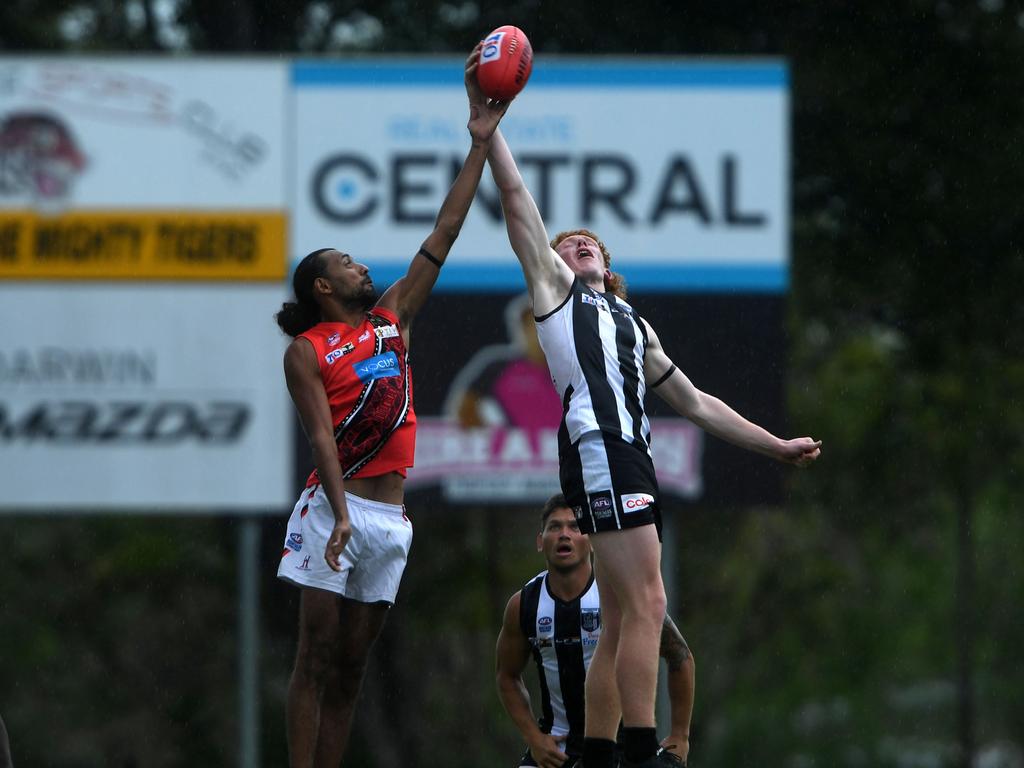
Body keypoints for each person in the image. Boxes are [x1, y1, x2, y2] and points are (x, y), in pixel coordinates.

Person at [484, 126, 821, 768]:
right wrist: (491, 129)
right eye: (567, 244)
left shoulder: (634, 325)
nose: (578, 242)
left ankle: (601, 752)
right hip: (601, 446)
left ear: (610, 269)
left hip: (624, 455)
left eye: (591, 244)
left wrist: (774, 446)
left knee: (617, 617)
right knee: (650, 601)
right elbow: (518, 200)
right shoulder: (558, 296)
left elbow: (697, 405)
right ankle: (642, 751)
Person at [273, 46, 510, 768]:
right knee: (314, 657)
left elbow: (446, 229)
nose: (358, 265)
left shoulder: (391, 317)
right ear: (321, 285)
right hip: (332, 510)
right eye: (343, 261)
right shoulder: (308, 349)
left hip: (389, 520)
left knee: (352, 668)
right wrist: (340, 515)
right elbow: (319, 436)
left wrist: (481, 139)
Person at [496, 495, 695, 768]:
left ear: (591, 539)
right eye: (554, 527)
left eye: (574, 527)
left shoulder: (621, 596)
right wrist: (534, 738)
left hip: (619, 752)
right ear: (540, 541)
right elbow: (506, 675)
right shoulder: (524, 604)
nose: (564, 535)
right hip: (555, 752)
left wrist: (680, 736)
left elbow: (680, 657)